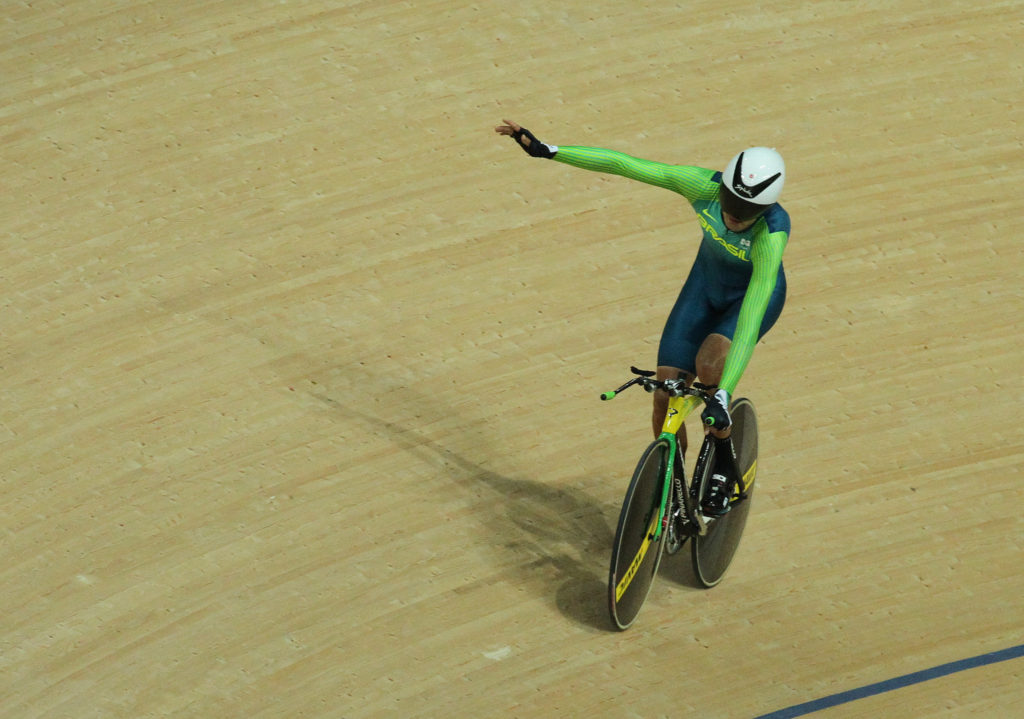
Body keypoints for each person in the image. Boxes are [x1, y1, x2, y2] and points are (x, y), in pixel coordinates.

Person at [495, 120, 789, 515]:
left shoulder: (771, 234)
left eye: (747, 211)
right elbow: (626, 165)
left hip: (750, 301)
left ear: (766, 208)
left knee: (709, 366)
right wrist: (551, 151)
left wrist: (723, 392)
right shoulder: (701, 186)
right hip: (703, 291)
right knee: (665, 394)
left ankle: (721, 459)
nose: (735, 216)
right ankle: (670, 491)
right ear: (721, 187)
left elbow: (751, 317)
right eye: (730, 203)